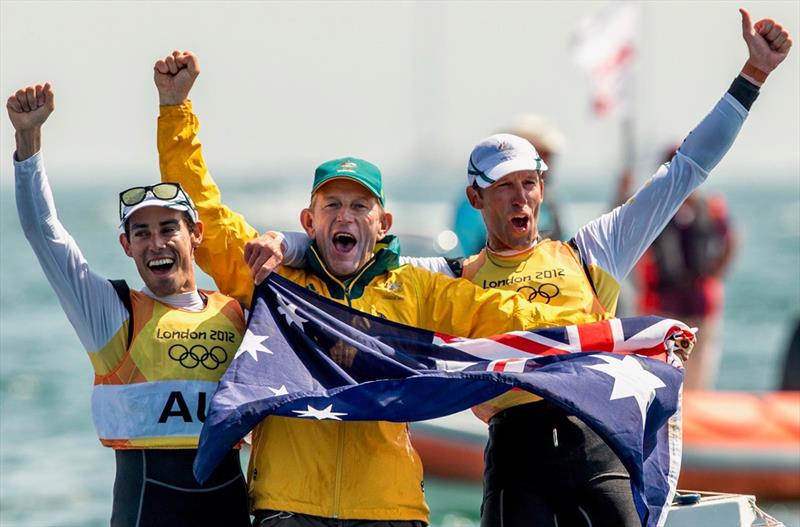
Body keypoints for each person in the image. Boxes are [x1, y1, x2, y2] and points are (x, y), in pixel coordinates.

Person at [261, 8, 792, 526]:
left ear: (542, 189)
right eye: (504, 187)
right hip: (515, 455)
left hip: (595, 447)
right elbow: (355, 255)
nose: (520, 199)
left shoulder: (591, 254)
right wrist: (287, 244)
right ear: (476, 196)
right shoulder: (451, 276)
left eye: (529, 185)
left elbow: (685, 172)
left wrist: (753, 76)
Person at [152, 51, 605, 527]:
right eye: (332, 205)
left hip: (389, 509)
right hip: (288, 505)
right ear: (309, 221)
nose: (345, 216)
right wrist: (175, 107)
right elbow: (201, 210)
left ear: (383, 224)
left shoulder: (416, 291)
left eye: (359, 206)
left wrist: (619, 337)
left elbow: (514, 317)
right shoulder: (271, 276)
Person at [9, 83, 251, 527]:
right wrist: (28, 142)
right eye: (141, 233)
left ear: (195, 235)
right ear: (126, 245)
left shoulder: (238, 314)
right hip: (146, 510)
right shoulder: (114, 314)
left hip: (230, 506)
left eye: (167, 229)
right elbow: (44, 232)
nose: (155, 243)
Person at [630, 145, 738, 390]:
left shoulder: (710, 208)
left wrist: (715, 272)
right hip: (666, 305)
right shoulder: (653, 209)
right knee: (666, 374)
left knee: (700, 374)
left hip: (700, 304)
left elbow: (731, 240)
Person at [452, 114, 565, 255]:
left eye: (549, 156)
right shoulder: (478, 198)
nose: (548, 162)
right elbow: (464, 250)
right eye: (541, 153)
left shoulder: (549, 200)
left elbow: (563, 242)